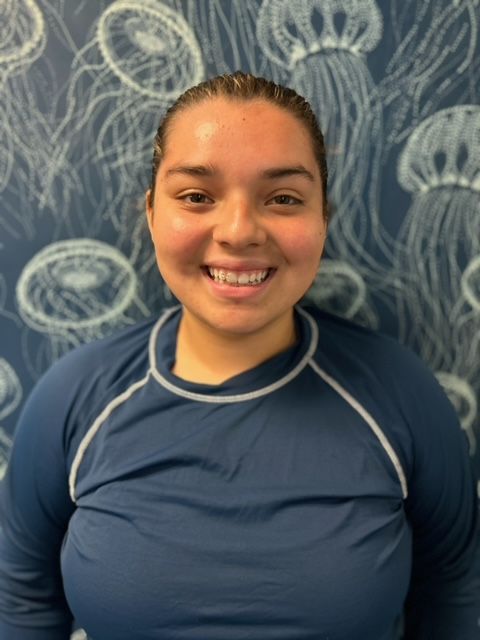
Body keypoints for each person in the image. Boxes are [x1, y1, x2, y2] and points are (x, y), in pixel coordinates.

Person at [0, 71, 478, 640]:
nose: (239, 231)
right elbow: (20, 599)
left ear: (323, 216)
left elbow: (456, 589)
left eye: (283, 198)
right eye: (197, 196)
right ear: (152, 212)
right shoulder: (72, 397)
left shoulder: (400, 391)